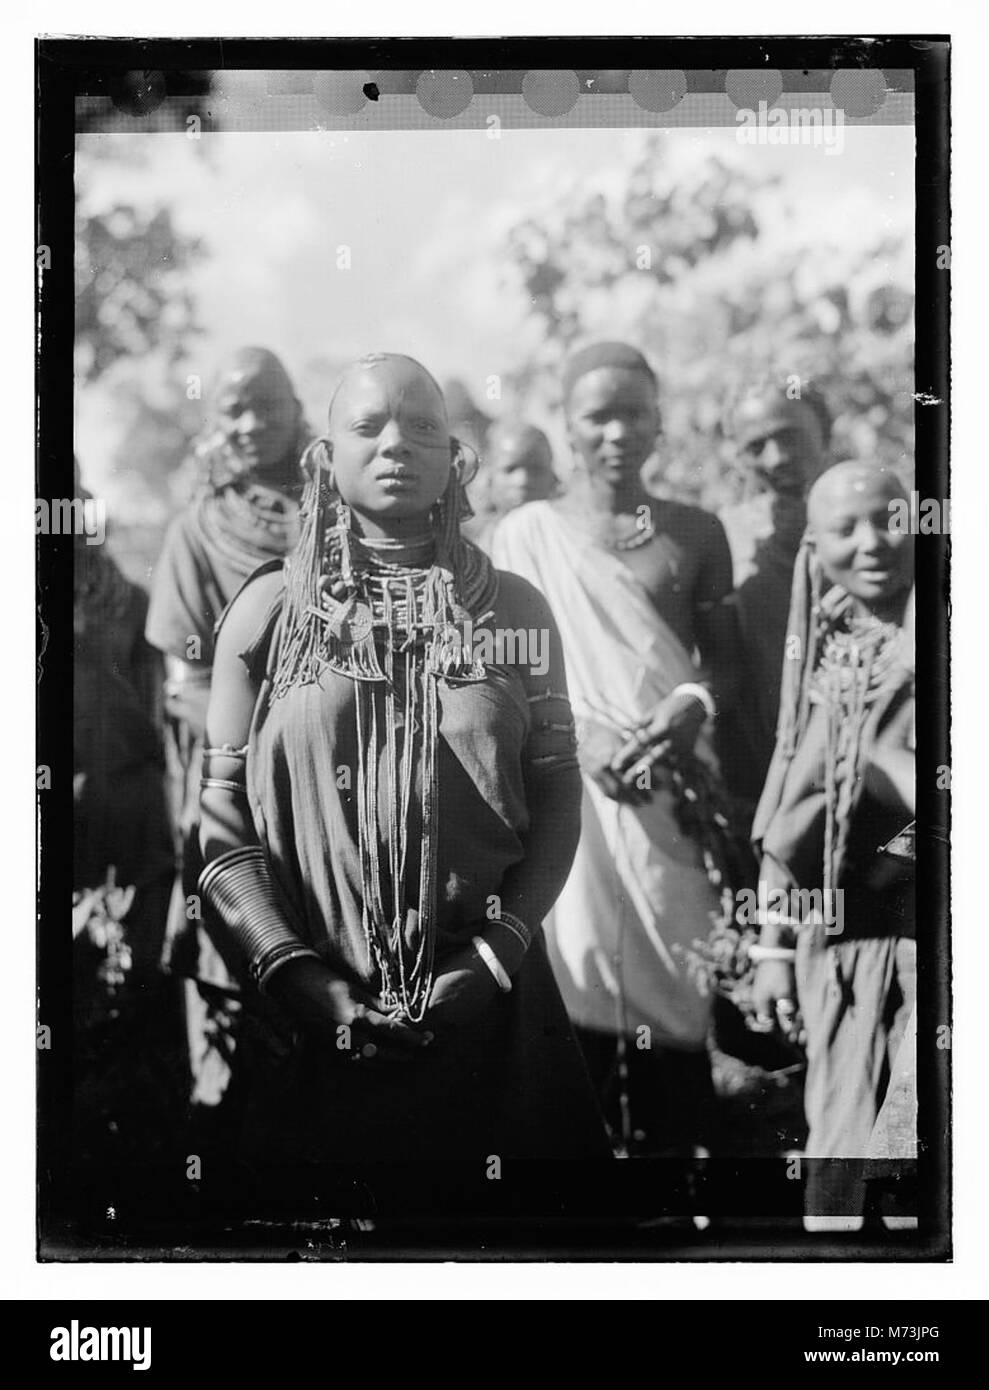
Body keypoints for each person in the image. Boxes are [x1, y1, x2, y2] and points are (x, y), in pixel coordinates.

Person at [197, 352, 609, 1170]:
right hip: (309, 1024)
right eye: (367, 426)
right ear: (325, 457)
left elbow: (558, 798)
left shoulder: (516, 611)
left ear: (454, 456)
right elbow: (218, 819)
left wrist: (496, 955)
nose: (396, 444)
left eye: (422, 426)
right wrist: (296, 976)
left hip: (492, 1016)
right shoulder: (266, 613)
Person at [493, 342, 744, 1155]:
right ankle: (580, 1209)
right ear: (566, 425)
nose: (615, 432)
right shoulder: (527, 535)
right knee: (576, 979)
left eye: (632, 412)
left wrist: (687, 707)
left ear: (659, 420)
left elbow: (727, 668)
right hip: (571, 801)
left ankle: (681, 1189)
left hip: (672, 795)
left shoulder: (696, 532)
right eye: (596, 415)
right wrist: (578, 737)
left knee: (677, 983)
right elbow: (499, 674)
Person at [145, 347, 310, 1124]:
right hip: (232, 787)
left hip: (332, 791)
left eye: (266, 404)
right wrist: (258, 756)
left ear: (295, 409)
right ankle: (219, 1163)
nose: (250, 424)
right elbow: (188, 681)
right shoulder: (195, 532)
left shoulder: (339, 516)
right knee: (233, 975)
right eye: (233, 407)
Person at [750, 461, 915, 1227]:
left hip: (931, 949)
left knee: (923, 1167)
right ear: (813, 546)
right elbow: (797, 805)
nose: (871, 542)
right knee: (842, 1170)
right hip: (836, 954)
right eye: (843, 529)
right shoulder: (829, 650)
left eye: (888, 517)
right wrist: (775, 952)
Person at [72, 460, 184, 1162]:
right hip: (58, 817)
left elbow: (152, 717)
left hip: (133, 814)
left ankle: (147, 1146)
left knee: (138, 986)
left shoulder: (130, 602)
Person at [718, 384, 832, 802]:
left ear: (825, 432)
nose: (777, 458)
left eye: (790, 437)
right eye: (756, 446)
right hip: (766, 777)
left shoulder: (874, 527)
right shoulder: (722, 539)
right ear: (737, 456)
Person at [465, 419, 557, 553]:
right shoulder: (477, 555)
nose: (523, 480)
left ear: (553, 477)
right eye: (510, 469)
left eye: (536, 469)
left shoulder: (568, 541)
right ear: (489, 476)